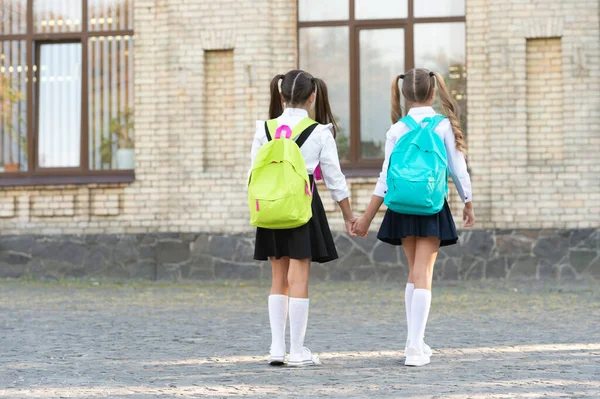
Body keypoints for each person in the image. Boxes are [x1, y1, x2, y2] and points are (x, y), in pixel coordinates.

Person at [352, 68, 475, 367]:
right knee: (424, 275)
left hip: (401, 206)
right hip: (432, 205)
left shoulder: (397, 129)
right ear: (433, 92)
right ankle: (414, 347)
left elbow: (384, 178)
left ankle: (414, 340)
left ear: (405, 94)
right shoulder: (443, 125)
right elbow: (458, 170)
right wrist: (468, 201)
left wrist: (367, 217)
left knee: (413, 273)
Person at [250, 70, 356, 367]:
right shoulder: (320, 132)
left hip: (270, 207)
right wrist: (349, 216)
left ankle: (275, 348)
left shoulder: (264, 128)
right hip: (303, 207)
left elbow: (252, 174)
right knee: (299, 280)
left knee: (277, 279)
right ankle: (297, 351)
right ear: (313, 98)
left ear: (281, 96)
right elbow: (335, 180)